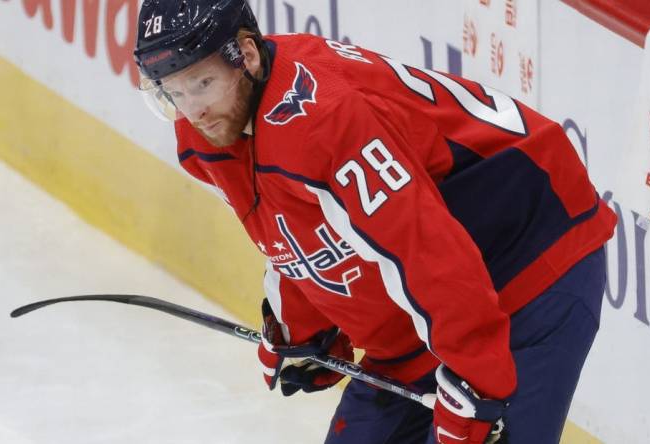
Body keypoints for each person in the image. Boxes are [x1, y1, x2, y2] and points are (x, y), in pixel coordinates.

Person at [132, 1, 617, 443]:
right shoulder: (208, 133)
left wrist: (477, 382)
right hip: (437, 302)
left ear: (247, 56)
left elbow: (424, 247)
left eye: (203, 84)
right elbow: (288, 225)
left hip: (533, 256)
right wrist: (303, 330)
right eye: (173, 91)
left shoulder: (323, 122)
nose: (193, 110)